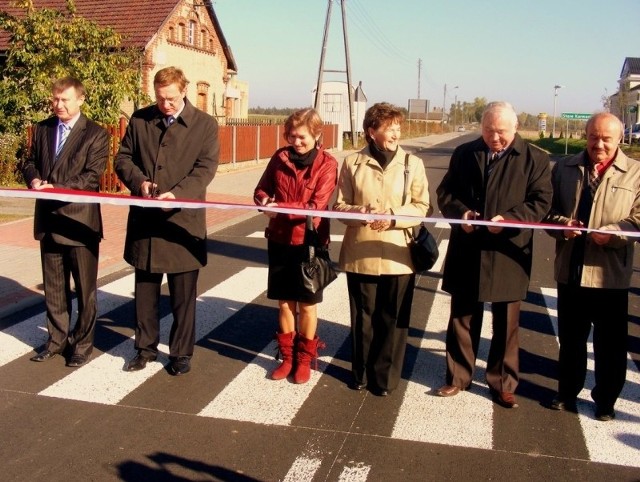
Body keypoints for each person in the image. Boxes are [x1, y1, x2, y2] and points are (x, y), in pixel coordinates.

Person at [435, 101, 552, 408]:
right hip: (468, 247)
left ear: (515, 128)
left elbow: (541, 202)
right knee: (462, 317)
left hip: (507, 251)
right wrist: (464, 214)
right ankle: (458, 377)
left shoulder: (534, 159)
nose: (494, 137)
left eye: (500, 131)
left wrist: (510, 220)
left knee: (507, 323)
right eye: (488, 130)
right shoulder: (465, 153)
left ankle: (503, 382)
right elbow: (446, 194)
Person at [115, 66, 219, 376]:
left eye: (171, 99)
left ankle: (180, 354)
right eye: (160, 99)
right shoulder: (141, 119)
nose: (165, 105)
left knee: (182, 298)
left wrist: (177, 194)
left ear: (183, 91)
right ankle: (144, 349)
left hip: (182, 224)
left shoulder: (204, 125)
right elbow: (123, 159)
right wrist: (140, 183)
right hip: (146, 223)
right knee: (145, 294)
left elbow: (205, 169)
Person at [544, 112, 640, 421]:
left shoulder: (636, 173)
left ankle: (606, 400)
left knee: (610, 345)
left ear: (619, 139)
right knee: (571, 339)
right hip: (570, 268)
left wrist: (613, 234)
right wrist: (562, 224)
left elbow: (638, 219)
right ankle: (567, 392)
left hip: (610, 274)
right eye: (593, 137)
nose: (598, 144)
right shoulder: (564, 168)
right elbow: (546, 210)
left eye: (606, 139)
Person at [333, 102, 432, 396]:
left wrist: (392, 218)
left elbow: (421, 206)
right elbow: (339, 206)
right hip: (360, 252)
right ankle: (360, 373)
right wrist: (359, 211)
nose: (396, 133)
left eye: (398, 127)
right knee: (363, 317)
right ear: (371, 131)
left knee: (393, 320)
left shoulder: (412, 164)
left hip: (399, 255)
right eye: (390, 128)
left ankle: (385, 378)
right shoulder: (352, 163)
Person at [22, 76, 109, 367]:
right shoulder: (43, 128)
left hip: (79, 223)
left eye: (64, 100)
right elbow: (29, 160)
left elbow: (91, 176)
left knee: (85, 291)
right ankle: (56, 340)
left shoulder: (95, 134)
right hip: (48, 222)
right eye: (55, 99)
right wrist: (33, 178)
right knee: (54, 288)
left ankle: (82, 344)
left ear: (80, 100)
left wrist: (56, 188)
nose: (58, 105)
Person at [254, 108, 338, 384]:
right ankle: (287, 357)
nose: (296, 142)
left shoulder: (327, 164)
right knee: (285, 303)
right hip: (279, 238)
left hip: (310, 242)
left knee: (307, 305)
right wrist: (265, 201)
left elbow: (316, 206)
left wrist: (281, 209)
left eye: (301, 136)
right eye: (291, 136)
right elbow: (261, 189)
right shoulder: (279, 158)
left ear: (316, 134)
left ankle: (304, 359)